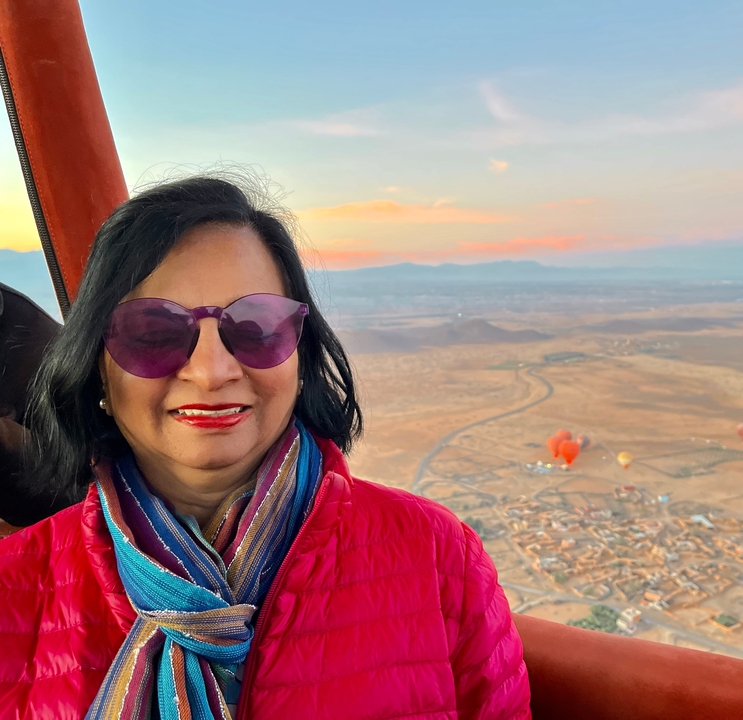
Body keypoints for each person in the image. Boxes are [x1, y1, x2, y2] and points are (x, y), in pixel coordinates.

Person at [0, 176, 531, 718]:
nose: (210, 371)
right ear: (98, 369)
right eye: (153, 332)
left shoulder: (440, 557)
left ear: (300, 356)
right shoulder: (11, 585)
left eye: (255, 327)